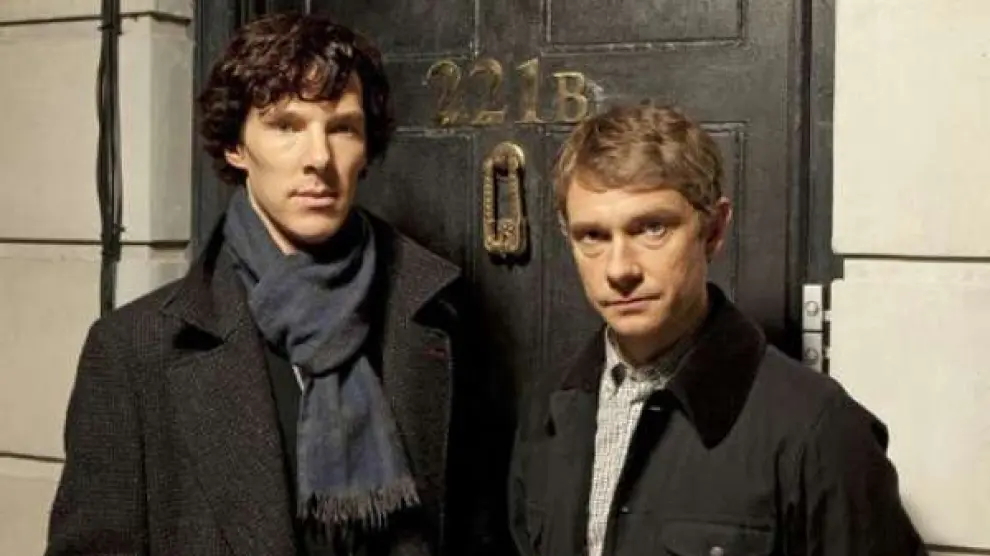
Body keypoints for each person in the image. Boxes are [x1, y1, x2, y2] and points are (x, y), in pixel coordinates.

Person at [47, 12, 494, 556]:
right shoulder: (134, 352)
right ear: (237, 147)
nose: (319, 159)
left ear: (366, 148)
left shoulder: (435, 311)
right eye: (286, 126)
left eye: (342, 128)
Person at [508, 104, 927, 556]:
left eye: (652, 228)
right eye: (593, 236)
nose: (619, 269)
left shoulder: (818, 428)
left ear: (712, 230)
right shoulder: (548, 406)